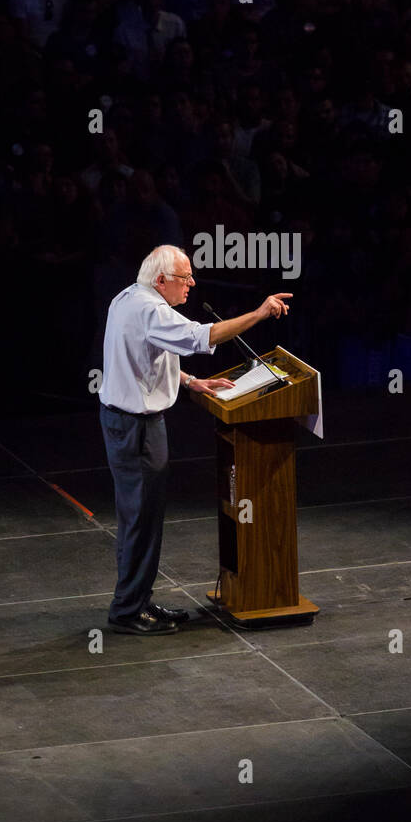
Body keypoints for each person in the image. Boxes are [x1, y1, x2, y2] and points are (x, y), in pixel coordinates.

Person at [99, 244, 292, 635]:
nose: (191, 283)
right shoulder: (151, 309)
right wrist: (258, 313)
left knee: (143, 516)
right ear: (161, 280)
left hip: (129, 422)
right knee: (141, 518)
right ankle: (126, 611)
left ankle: (136, 599)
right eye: (184, 277)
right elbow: (201, 337)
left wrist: (189, 381)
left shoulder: (129, 298)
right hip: (136, 427)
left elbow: (148, 353)